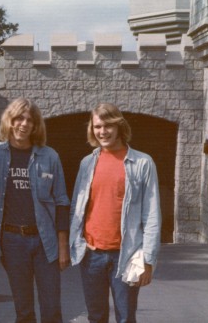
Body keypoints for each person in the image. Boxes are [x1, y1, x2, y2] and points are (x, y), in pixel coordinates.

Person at [69, 103, 162, 323]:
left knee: (125, 317)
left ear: (119, 126)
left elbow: (152, 214)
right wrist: (75, 243)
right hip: (91, 255)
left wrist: (148, 260)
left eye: (108, 125)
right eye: (98, 126)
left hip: (126, 256)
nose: (103, 132)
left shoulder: (142, 163)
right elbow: (77, 206)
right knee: (96, 317)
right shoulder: (87, 163)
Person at [0, 97, 70, 323]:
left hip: (45, 241)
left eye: (29, 120)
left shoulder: (50, 156)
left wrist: (62, 247)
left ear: (35, 125)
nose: (23, 124)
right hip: (11, 241)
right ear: (9, 121)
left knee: (51, 309)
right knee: (24, 309)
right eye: (18, 118)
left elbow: (61, 201)